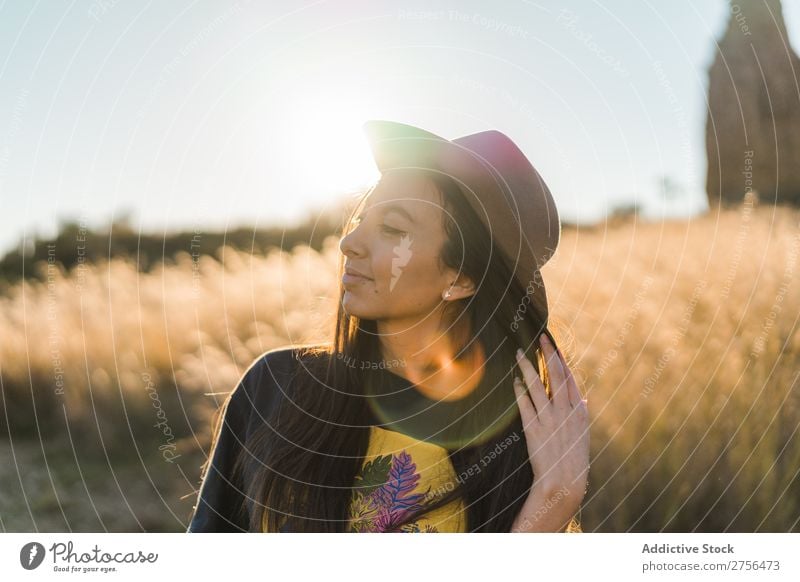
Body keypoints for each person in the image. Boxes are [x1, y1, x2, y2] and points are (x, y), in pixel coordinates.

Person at [186, 120, 590, 533]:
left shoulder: (517, 445)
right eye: (361, 219)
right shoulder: (276, 388)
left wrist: (553, 502)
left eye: (393, 229)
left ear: (461, 278)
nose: (349, 243)